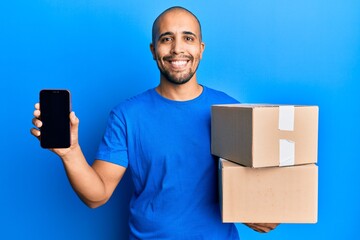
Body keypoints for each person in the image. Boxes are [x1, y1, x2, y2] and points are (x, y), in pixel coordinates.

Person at [31, 6, 278, 239]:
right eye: (166, 38)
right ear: (153, 50)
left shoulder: (231, 111)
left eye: (188, 38)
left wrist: (259, 211)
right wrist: (70, 153)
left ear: (201, 48)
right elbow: (97, 196)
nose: (177, 49)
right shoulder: (126, 116)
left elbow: (251, 189)